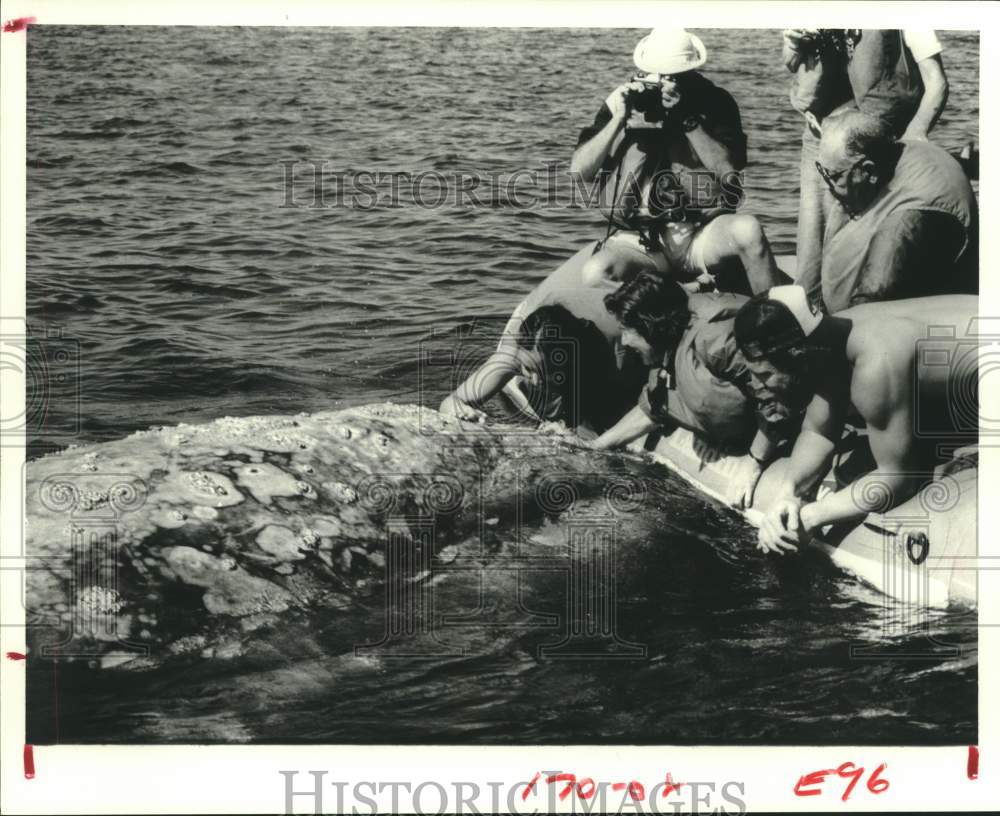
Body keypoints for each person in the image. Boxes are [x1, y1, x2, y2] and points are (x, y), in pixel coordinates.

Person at [732, 285, 977, 554]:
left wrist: (811, 517)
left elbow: (899, 477)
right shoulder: (829, 334)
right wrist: (789, 493)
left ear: (798, 356)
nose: (757, 384)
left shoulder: (874, 362)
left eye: (765, 375)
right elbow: (818, 431)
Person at [571, 28, 786, 296]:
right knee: (595, 274)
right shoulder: (622, 101)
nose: (663, 84)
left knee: (749, 231)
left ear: (691, 72)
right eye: (657, 76)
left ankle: (779, 319)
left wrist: (687, 120)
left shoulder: (715, 102)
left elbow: (728, 170)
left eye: (674, 77)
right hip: (640, 240)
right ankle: (688, 290)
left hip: (700, 233)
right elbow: (580, 172)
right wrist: (619, 122)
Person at [592, 272, 793, 507]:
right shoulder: (671, 342)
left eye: (628, 331)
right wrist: (596, 447)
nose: (624, 342)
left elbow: (779, 394)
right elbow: (654, 405)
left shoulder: (715, 337)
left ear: (651, 326)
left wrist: (754, 462)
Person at [783, 29, 950, 302]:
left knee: (849, 246)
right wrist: (793, 41)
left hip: (869, 146)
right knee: (810, 252)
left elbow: (937, 83)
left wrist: (914, 137)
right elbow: (790, 61)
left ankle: (849, 321)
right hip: (819, 138)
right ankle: (808, 318)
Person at [814, 110, 977, 313]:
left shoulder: (904, 223)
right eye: (821, 170)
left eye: (833, 176)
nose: (826, 184)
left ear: (870, 171)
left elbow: (869, 305)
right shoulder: (897, 151)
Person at [438, 302, 642, 435]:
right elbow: (451, 402)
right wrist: (462, 411)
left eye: (547, 372)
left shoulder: (606, 355)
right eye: (528, 368)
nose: (534, 381)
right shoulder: (513, 354)